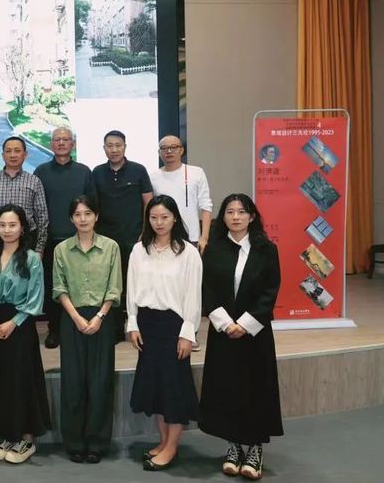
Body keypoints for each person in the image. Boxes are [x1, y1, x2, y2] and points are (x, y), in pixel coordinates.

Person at [199, 194, 283, 480]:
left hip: (255, 333)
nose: (235, 217)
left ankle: (256, 448)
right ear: (223, 217)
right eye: (230, 212)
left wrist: (246, 324)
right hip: (223, 332)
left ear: (252, 216)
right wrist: (225, 323)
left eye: (241, 212)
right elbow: (206, 289)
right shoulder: (214, 250)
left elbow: (271, 290)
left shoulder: (266, 249)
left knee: (256, 387)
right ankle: (233, 446)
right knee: (227, 388)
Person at [127, 194, 202, 471]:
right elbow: (131, 288)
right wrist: (132, 322)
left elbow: (193, 294)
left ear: (175, 219)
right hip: (147, 324)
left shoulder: (188, 252)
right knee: (155, 388)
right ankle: (163, 441)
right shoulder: (139, 250)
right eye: (154, 217)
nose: (159, 222)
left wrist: (187, 332)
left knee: (174, 389)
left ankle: (171, 447)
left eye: (165, 217)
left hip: (174, 326)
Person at [52, 195, 122, 464]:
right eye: (78, 214)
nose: (83, 219)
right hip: (72, 317)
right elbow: (59, 287)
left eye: (88, 213)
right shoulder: (61, 250)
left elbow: (114, 287)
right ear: (71, 219)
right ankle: (74, 441)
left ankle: (97, 442)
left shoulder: (111, 247)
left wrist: (100, 316)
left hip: (102, 318)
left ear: (96, 216)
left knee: (100, 381)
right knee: (73, 382)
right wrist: (76, 318)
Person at [0, 205, 51, 464]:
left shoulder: (32, 259)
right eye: (3, 225)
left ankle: (27, 438)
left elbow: (35, 298)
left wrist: (14, 322)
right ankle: (8, 434)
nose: (7, 230)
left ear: (23, 228)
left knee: (23, 380)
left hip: (20, 326)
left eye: (13, 225)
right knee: (0, 379)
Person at [34, 128, 96, 349]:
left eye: (66, 139)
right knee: (55, 287)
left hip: (80, 239)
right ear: (51, 144)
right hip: (51, 240)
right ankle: (54, 330)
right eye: (57, 140)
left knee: (79, 284)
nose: (61, 143)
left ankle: (79, 326)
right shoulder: (41, 171)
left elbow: (92, 204)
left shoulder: (84, 171)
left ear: (73, 144)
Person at [149, 135, 211, 351]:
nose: (169, 151)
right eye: (164, 148)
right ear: (159, 152)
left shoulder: (196, 172)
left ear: (182, 150)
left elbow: (206, 206)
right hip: (162, 240)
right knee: (167, 288)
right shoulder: (153, 176)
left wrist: (204, 237)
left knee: (191, 289)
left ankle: (191, 334)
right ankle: (170, 332)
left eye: (173, 147)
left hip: (191, 239)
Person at [93, 130, 154, 345]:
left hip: (135, 237)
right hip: (106, 239)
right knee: (112, 284)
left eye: (118, 145)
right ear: (104, 148)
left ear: (125, 147)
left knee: (136, 283)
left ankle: (138, 326)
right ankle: (116, 328)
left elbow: (148, 202)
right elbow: (93, 204)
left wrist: (145, 231)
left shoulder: (138, 170)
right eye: (109, 145)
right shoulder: (97, 172)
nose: (114, 149)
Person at [0, 136, 48, 255]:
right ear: (3, 155)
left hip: (27, 239)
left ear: (25, 154)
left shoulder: (34, 181)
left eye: (17, 151)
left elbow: (42, 216)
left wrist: (40, 249)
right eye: (8, 151)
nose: (13, 155)